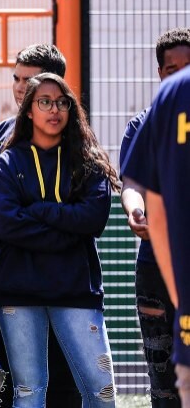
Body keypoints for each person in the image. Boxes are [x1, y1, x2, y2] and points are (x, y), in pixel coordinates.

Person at [0, 73, 119, 407]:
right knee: (29, 393)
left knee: (102, 392)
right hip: (19, 291)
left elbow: (93, 219)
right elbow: (8, 226)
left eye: (62, 102)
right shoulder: (7, 162)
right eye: (44, 102)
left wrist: (39, 210)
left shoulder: (88, 161)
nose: (54, 109)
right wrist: (68, 229)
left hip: (75, 290)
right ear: (29, 110)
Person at [0, 43, 77, 407]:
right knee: (4, 380)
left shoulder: (76, 141)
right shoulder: (1, 133)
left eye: (29, 80)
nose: (20, 88)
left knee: (63, 380)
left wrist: (18, 209)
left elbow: (84, 215)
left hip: (59, 281)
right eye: (16, 79)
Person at [120, 27, 189, 407]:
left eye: (186, 65)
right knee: (162, 379)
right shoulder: (146, 123)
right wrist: (136, 211)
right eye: (170, 68)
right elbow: (131, 182)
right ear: (159, 73)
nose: (178, 74)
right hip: (156, 265)